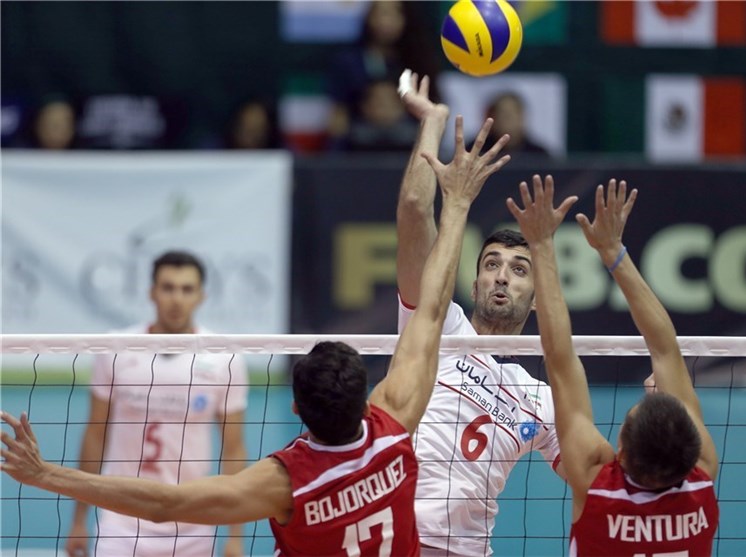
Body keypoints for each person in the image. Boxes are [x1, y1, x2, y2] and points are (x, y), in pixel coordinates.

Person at [1, 115, 512, 556]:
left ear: (296, 409)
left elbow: (165, 504)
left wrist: (45, 474)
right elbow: (431, 312)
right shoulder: (395, 427)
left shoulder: (286, 482)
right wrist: (459, 204)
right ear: (365, 401)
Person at [396, 70, 565, 556]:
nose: (502, 277)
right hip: (396, 539)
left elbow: (598, 475)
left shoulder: (540, 400)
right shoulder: (437, 326)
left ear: (539, 297)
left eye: (519, 269)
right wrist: (433, 121)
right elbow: (414, 208)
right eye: (491, 264)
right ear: (474, 285)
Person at [506, 175, 719, 555]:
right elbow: (666, 350)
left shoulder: (596, 485)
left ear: (618, 454)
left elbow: (561, 357)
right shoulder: (701, 479)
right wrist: (612, 252)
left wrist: (541, 244)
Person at [65, 250, 250, 557]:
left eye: (187, 289)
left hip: (193, 521)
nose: (177, 299)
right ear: (152, 292)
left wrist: (235, 536)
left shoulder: (224, 358)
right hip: (121, 520)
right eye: (168, 288)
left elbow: (234, 449)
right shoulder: (116, 348)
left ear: (201, 296)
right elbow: (95, 434)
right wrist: (78, 521)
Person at [326, 1, 440, 150]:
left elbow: (433, 111)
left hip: (408, 141)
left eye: (394, 14)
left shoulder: (420, 61)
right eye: (380, 13)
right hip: (358, 142)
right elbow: (338, 117)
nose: (385, 21)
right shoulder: (348, 62)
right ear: (368, 17)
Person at [482, 92, 549, 156]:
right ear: (494, 118)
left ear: (522, 117)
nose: (507, 120)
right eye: (503, 115)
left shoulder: (539, 154)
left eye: (511, 115)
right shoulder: (480, 149)